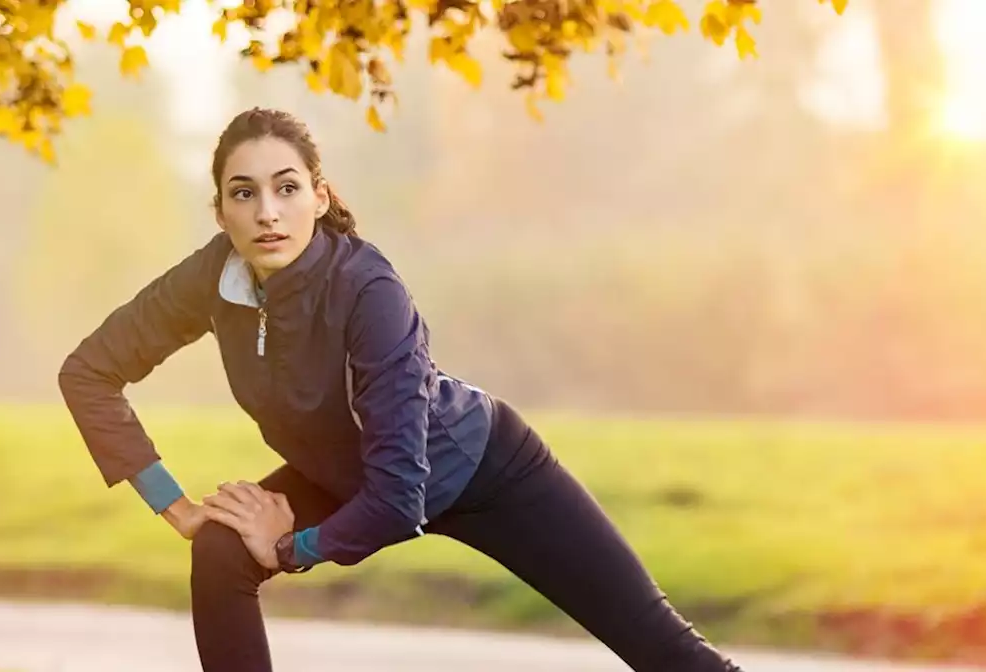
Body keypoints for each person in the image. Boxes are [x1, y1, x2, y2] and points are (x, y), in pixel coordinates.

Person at [58, 106, 744, 672]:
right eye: (245, 193)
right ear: (221, 212)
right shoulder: (213, 279)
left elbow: (397, 496)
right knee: (218, 551)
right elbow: (89, 372)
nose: (268, 211)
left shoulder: (368, 289)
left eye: (287, 187)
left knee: (664, 651)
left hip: (481, 469)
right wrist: (177, 508)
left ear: (319, 198)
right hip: (343, 472)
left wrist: (289, 548)